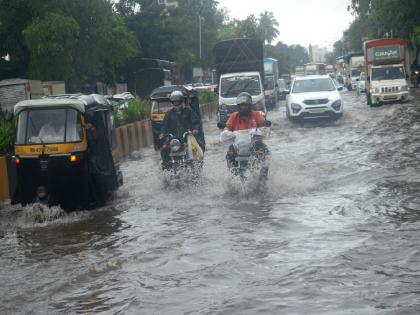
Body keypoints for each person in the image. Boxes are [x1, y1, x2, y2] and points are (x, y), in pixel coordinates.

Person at [224, 92, 270, 168]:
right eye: (242, 105)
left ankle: (263, 176)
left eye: (245, 105)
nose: (244, 107)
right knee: (229, 154)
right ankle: (233, 174)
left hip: (255, 143)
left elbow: (263, 125)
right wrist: (226, 132)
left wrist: (264, 126)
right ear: (239, 106)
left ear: (249, 105)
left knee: (265, 152)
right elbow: (228, 127)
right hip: (238, 144)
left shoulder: (257, 115)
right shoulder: (234, 116)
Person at [159, 90, 202, 169]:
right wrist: (162, 133)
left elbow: (195, 121)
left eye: (177, 102)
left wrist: (195, 129)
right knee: (163, 150)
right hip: (173, 138)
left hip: (187, 136)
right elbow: (164, 125)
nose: (176, 103)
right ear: (172, 102)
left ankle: (198, 166)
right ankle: (166, 167)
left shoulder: (188, 111)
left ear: (181, 101)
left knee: (198, 147)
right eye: (174, 102)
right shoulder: (169, 113)